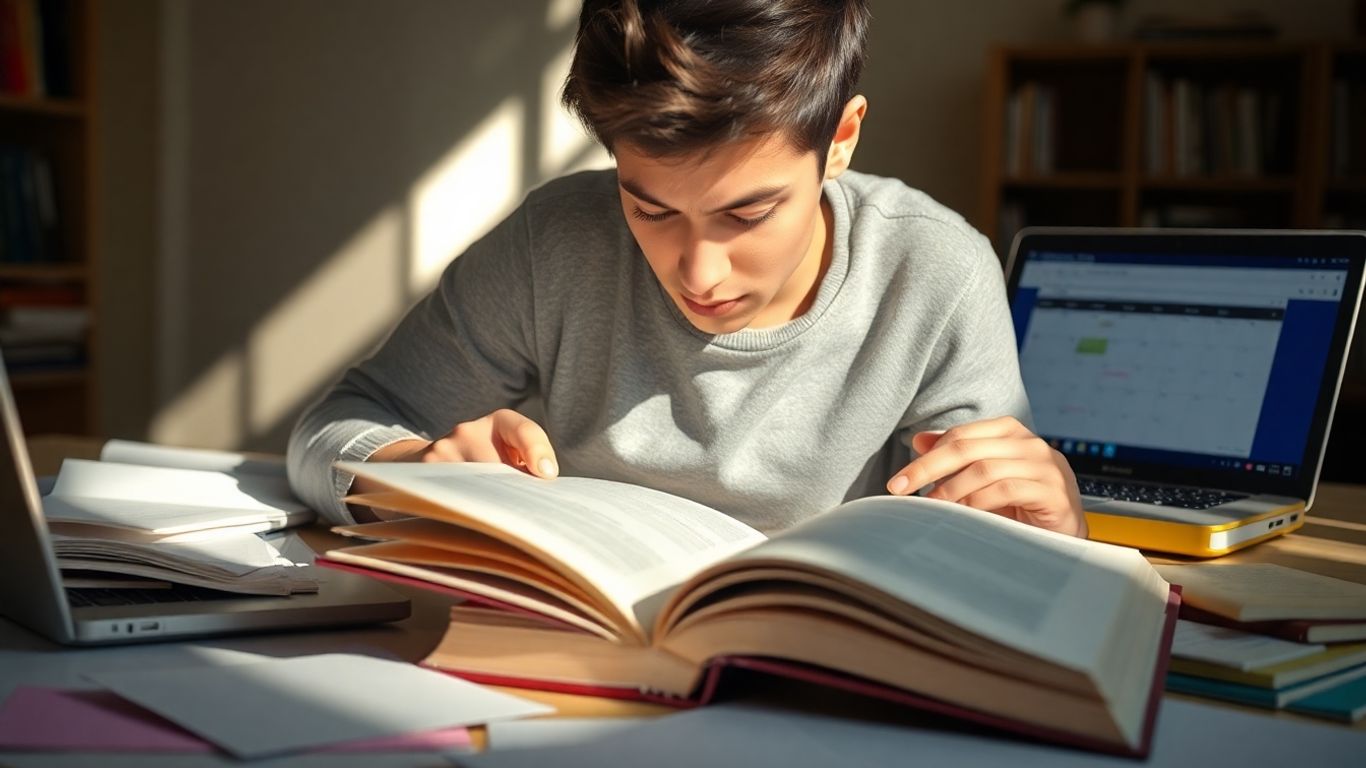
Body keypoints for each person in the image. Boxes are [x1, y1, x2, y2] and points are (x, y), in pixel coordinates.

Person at [287, 0, 1086, 538]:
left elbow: (995, 542)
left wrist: (1055, 530)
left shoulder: (936, 272)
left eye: (747, 214)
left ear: (841, 139)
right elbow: (334, 425)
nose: (698, 272)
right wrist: (409, 471)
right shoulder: (556, 242)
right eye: (652, 209)